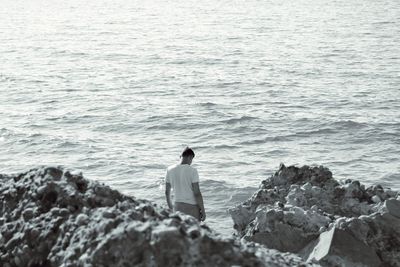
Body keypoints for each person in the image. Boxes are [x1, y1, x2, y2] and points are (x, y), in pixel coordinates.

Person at [165, 147, 206, 221]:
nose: (191, 162)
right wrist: (203, 210)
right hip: (192, 207)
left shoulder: (169, 169)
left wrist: (171, 207)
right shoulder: (193, 171)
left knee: (182, 230)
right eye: (192, 159)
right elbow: (197, 193)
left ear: (180, 156)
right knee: (194, 230)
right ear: (190, 157)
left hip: (177, 206)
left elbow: (167, 192)